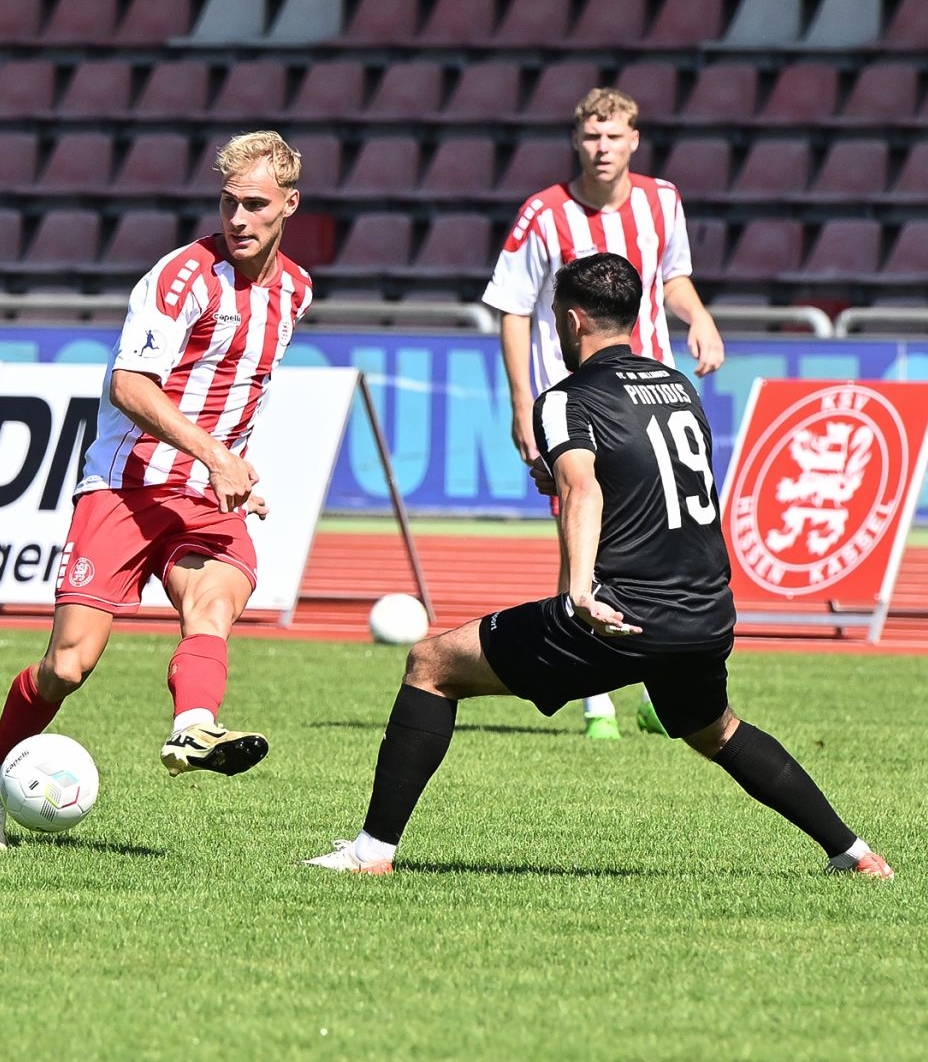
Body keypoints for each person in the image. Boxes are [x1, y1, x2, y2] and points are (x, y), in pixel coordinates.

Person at [305, 253, 892, 880]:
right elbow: (647, 480)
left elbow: (582, 489)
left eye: (556, 315)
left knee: (431, 665)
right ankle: (855, 854)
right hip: (705, 607)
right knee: (715, 730)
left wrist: (580, 589)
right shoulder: (676, 385)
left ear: (573, 319)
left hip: (622, 612)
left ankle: (371, 853)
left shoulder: (566, 398)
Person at [0, 131, 314, 851]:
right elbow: (128, 384)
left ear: (289, 204)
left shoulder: (297, 291)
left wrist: (234, 472)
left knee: (213, 602)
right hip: (125, 486)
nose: (238, 218)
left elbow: (241, 387)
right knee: (68, 665)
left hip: (204, 496)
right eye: (228, 202)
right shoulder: (181, 277)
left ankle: (194, 727)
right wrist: (218, 456)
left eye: (254, 204)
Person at [485, 87, 726, 741]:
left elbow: (672, 277)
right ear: (576, 140)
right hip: (578, 400)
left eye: (614, 136)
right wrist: (521, 401)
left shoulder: (662, 201)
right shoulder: (543, 214)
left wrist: (700, 318)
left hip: (649, 396)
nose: (602, 148)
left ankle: (651, 683)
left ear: (634, 140)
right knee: (582, 527)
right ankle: (596, 700)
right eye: (592, 136)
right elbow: (513, 307)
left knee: (653, 539)